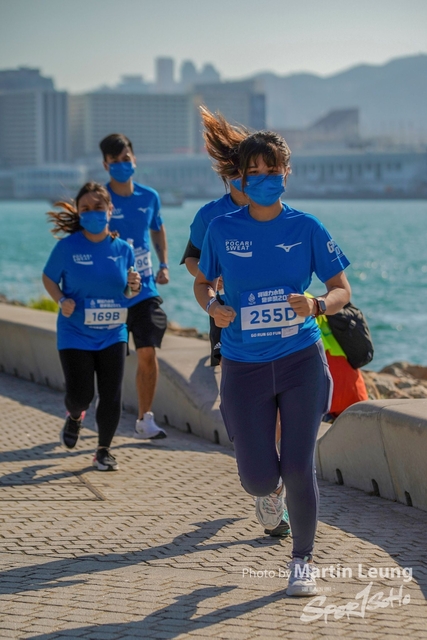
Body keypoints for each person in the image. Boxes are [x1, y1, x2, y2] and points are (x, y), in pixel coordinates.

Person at [193, 113, 351, 596]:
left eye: (272, 170)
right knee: (259, 479)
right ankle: (269, 495)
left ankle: (302, 560)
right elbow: (203, 282)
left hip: (301, 359)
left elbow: (341, 288)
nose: (263, 178)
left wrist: (317, 304)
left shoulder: (307, 226)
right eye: (253, 172)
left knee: (300, 466)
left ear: (287, 173)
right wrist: (213, 306)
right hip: (244, 366)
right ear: (240, 178)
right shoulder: (222, 228)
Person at [182, 109, 290, 538]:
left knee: (278, 408)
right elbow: (193, 261)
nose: (247, 181)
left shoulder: (280, 211)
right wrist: (213, 281)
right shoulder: (211, 216)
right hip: (228, 319)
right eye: (241, 174)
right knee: (242, 408)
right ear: (230, 176)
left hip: (279, 326)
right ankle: (257, 459)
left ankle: (273, 490)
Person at [42, 182, 141, 471]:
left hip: (113, 332)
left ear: (110, 210)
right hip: (75, 333)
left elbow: (128, 292)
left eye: (98, 207)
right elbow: (49, 278)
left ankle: (103, 451)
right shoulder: (67, 247)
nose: (93, 212)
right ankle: (75, 416)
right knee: (80, 396)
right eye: (86, 208)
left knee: (111, 395)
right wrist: (61, 300)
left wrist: (134, 287)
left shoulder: (124, 249)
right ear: (79, 212)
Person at [100, 133, 169, 440]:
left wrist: (164, 263)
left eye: (126, 159)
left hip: (145, 289)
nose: (122, 165)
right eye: (114, 161)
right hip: (110, 293)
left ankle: (145, 419)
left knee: (147, 353)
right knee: (107, 362)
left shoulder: (149, 196)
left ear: (134, 160)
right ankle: (96, 405)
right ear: (106, 165)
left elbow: (157, 228)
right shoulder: (99, 200)